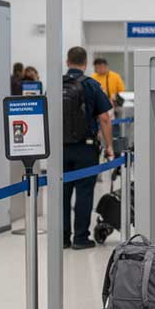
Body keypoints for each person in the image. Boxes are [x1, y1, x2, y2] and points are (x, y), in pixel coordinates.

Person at [63, 46, 113, 250]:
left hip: (60, 149)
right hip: (85, 148)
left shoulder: (56, 85)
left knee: (62, 192)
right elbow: (104, 118)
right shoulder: (91, 84)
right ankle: (80, 238)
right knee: (84, 192)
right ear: (85, 64)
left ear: (67, 62)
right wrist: (109, 146)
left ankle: (63, 238)